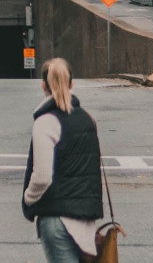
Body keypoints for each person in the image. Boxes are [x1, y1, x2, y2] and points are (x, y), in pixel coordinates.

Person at [22, 58, 105, 263]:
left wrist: (28, 199)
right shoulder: (88, 118)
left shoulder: (45, 122)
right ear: (71, 84)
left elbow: (42, 177)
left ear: (44, 86)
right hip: (85, 220)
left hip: (56, 218)